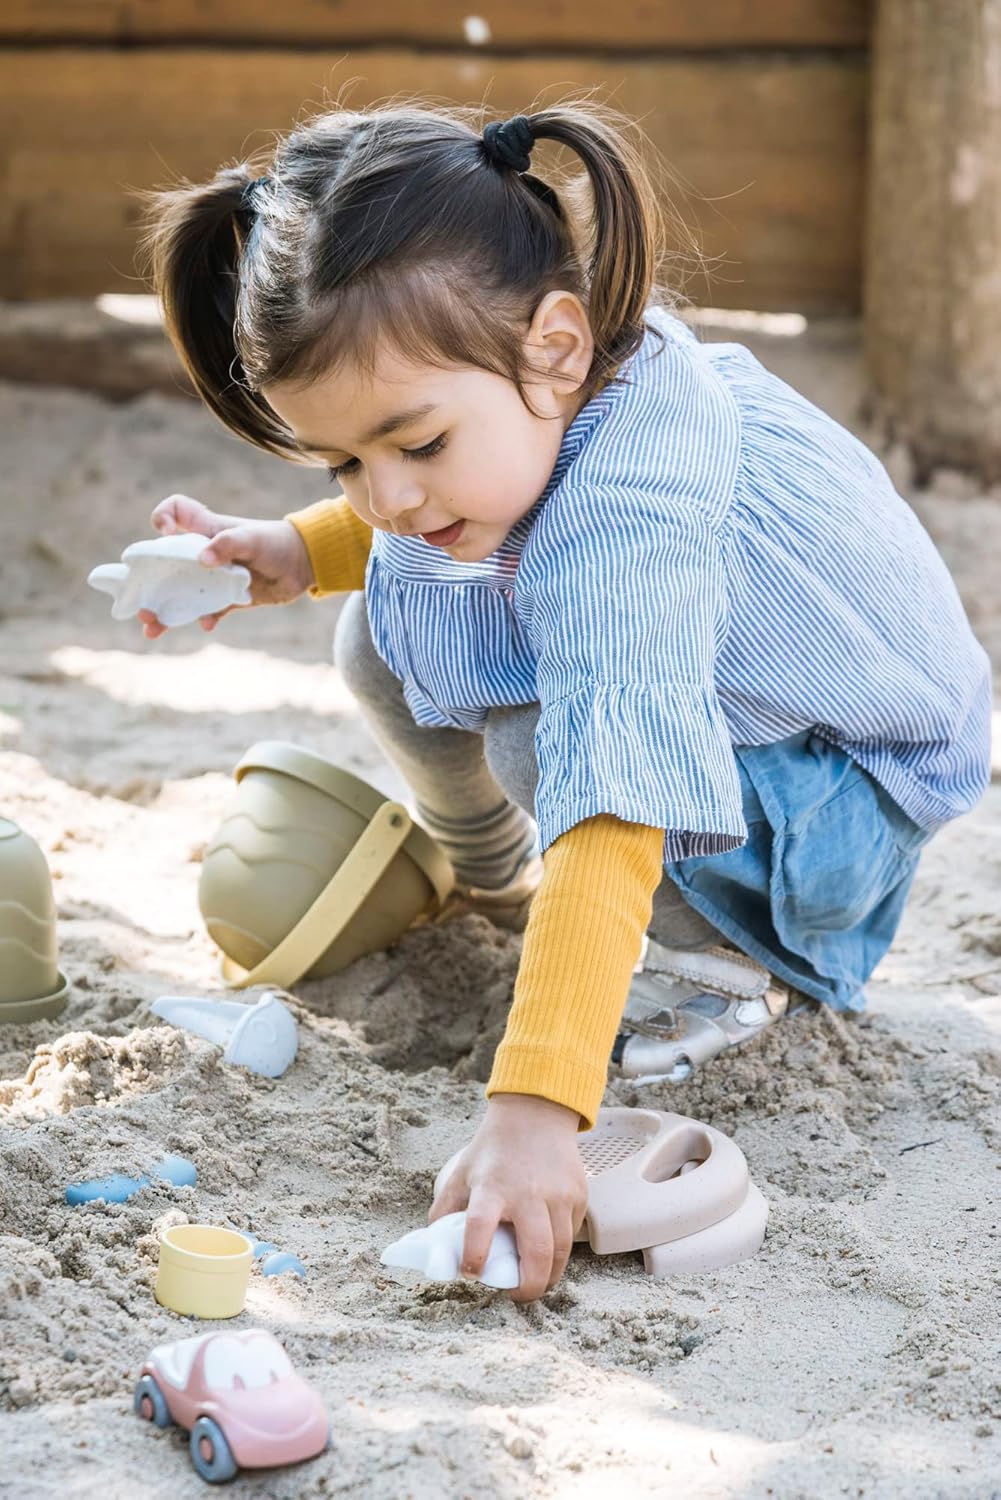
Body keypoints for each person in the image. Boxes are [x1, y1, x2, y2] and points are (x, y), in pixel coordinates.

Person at [137, 101, 992, 1303]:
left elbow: (614, 792)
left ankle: (724, 969)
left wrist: (537, 1108)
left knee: (551, 743)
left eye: (414, 445)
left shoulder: (633, 519)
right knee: (383, 616)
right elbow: (444, 498)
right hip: (762, 728)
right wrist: (295, 547)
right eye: (342, 461)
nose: (384, 494)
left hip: (843, 803)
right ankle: (494, 880)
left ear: (555, 345)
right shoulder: (542, 388)